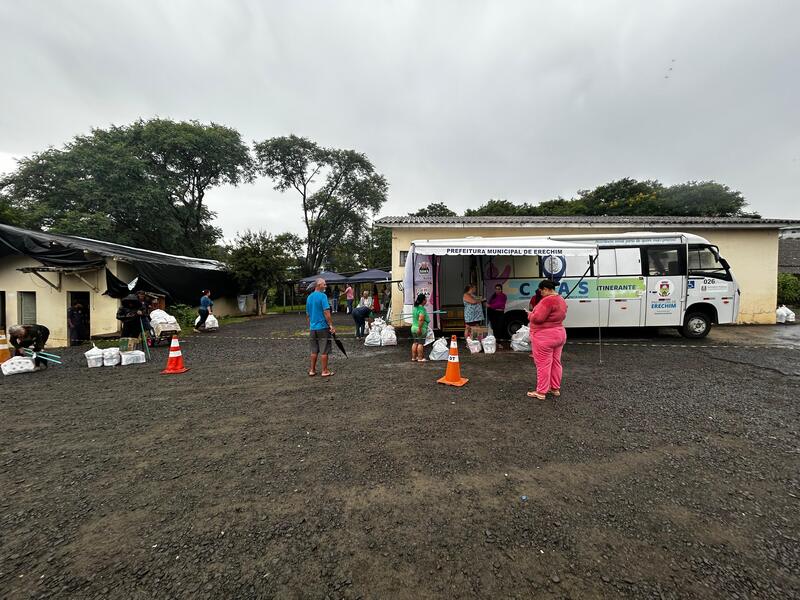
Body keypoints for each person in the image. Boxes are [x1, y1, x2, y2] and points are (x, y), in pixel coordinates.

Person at [527, 279, 568, 400]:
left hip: (544, 336)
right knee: (556, 362)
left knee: (543, 365)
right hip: (559, 333)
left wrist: (530, 314)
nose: (540, 293)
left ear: (545, 289)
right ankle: (555, 388)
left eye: (541, 291)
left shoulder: (547, 301)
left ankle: (541, 392)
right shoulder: (561, 299)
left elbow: (538, 318)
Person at [306, 278, 336, 377]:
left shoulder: (309, 297)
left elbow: (308, 314)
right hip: (323, 327)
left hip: (313, 327)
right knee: (324, 350)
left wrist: (310, 325)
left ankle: (312, 370)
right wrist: (331, 325)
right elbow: (326, 312)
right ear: (318, 285)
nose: (326, 286)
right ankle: (324, 371)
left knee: (314, 350)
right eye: (324, 284)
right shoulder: (323, 296)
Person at [410, 293, 430, 362]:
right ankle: (420, 358)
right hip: (420, 328)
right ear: (423, 300)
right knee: (420, 343)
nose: (426, 300)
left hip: (413, 328)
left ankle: (413, 357)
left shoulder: (415, 307)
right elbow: (421, 319)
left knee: (415, 342)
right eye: (426, 299)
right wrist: (419, 328)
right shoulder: (422, 309)